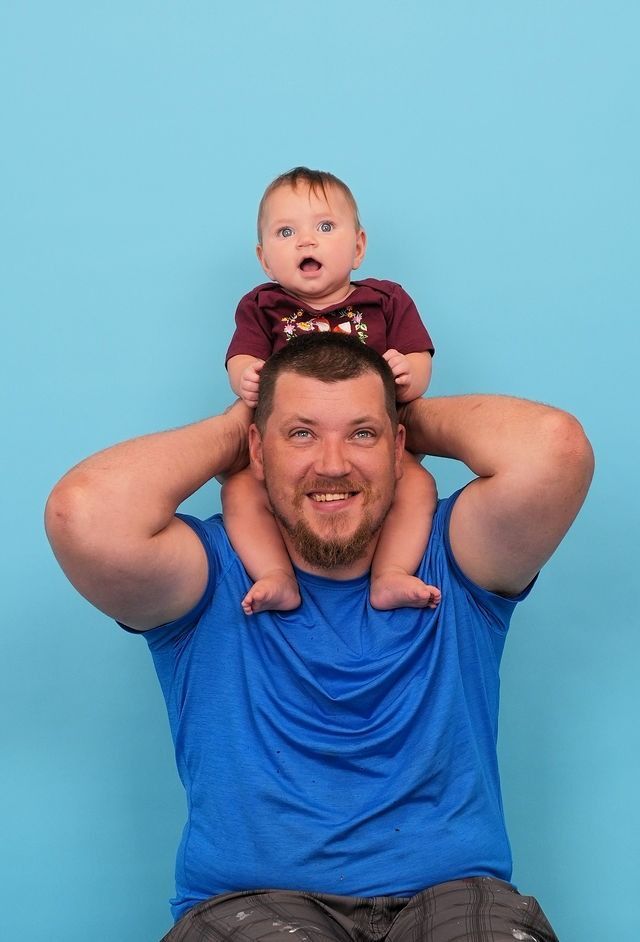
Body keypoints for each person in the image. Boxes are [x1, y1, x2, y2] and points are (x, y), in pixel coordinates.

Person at [45, 333, 594, 942]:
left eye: (362, 434)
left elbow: (555, 448)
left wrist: (403, 414)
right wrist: (237, 429)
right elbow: (83, 513)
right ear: (258, 448)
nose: (333, 464)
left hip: (456, 897)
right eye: (301, 434)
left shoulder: (456, 556)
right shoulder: (209, 573)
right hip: (251, 904)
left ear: (397, 447)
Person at [223, 167, 440, 615]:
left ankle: (390, 573)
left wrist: (409, 372)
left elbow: (421, 358)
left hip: (372, 447)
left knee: (419, 486)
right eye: (286, 232)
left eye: (325, 227)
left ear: (358, 246)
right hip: (293, 451)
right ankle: (275, 574)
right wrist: (245, 375)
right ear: (265, 259)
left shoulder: (385, 299)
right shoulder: (262, 306)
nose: (306, 241)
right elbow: (241, 358)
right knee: (240, 491)